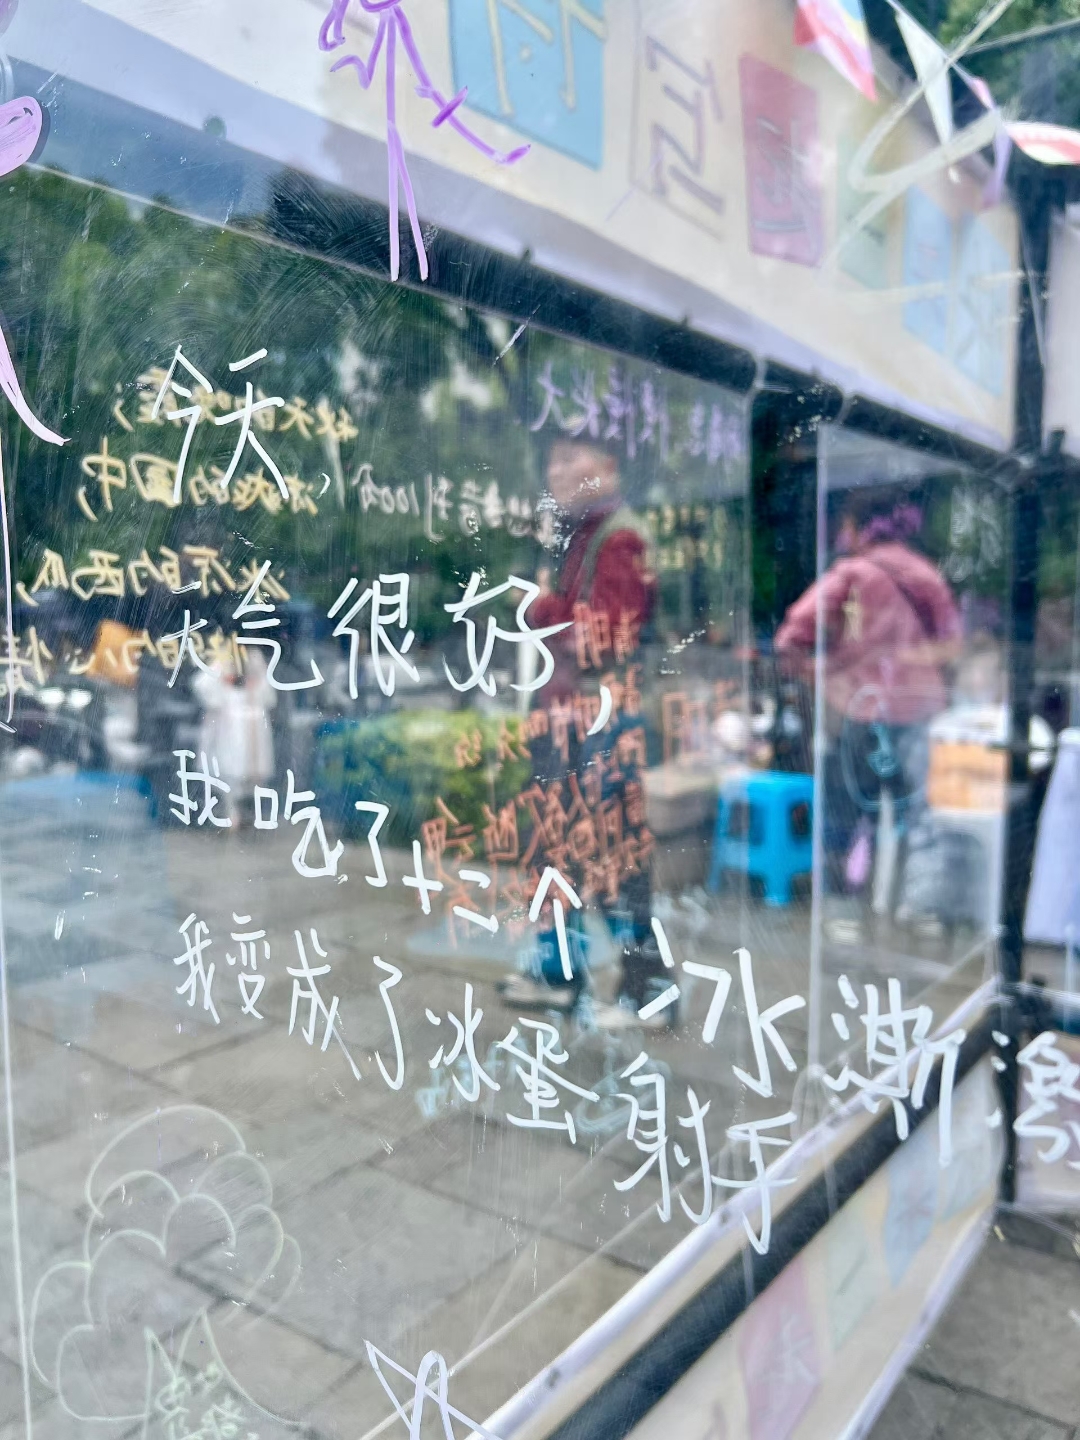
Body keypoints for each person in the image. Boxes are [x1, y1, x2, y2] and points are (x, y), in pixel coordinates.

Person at [499, 437, 669, 1026]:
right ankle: (558, 975)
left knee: (612, 859)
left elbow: (605, 636)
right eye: (553, 458)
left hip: (597, 723)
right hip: (573, 720)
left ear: (610, 465)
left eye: (573, 457)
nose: (558, 470)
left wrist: (540, 607)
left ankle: (646, 991)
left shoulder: (618, 538)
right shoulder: (583, 535)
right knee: (559, 852)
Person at [775, 491, 962, 935]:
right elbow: (953, 645)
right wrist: (913, 662)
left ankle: (843, 909)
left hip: (860, 712)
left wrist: (826, 675)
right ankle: (921, 910)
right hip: (917, 711)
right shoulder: (927, 575)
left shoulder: (851, 575)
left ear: (859, 527)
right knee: (920, 815)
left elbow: (791, 638)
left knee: (850, 814)